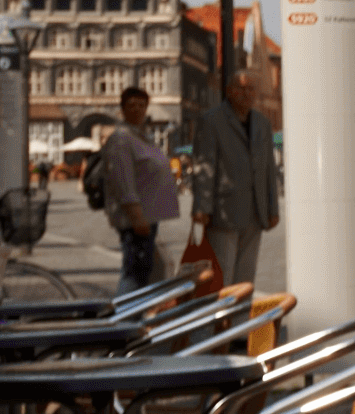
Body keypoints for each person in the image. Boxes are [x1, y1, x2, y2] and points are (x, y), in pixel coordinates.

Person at [192, 69, 279, 291]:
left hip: (255, 212)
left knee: (245, 279)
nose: (246, 93)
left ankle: (239, 324)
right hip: (224, 213)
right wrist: (201, 206)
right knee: (222, 275)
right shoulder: (212, 121)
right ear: (229, 91)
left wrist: (272, 207)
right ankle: (218, 322)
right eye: (240, 88)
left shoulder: (262, 123)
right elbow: (204, 165)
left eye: (251, 88)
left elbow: (269, 168)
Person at [99, 86, 178, 293]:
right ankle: (126, 320)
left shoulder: (140, 135)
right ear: (122, 109)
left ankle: (135, 315)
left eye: (141, 105)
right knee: (135, 273)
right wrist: (136, 216)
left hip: (147, 216)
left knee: (143, 270)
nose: (136, 109)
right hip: (136, 219)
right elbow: (124, 181)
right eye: (131, 105)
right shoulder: (122, 138)